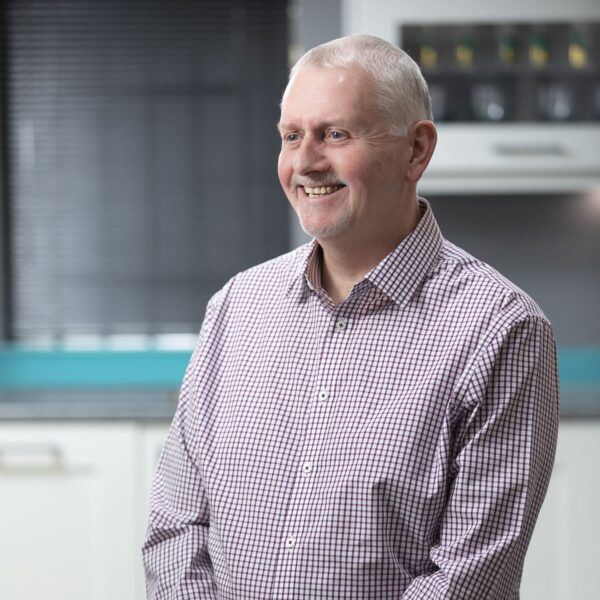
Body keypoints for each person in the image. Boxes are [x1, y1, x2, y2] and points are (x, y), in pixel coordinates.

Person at [142, 34, 559, 599]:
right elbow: (176, 526)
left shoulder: (500, 329)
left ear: (416, 151)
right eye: (292, 137)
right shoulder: (237, 308)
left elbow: (471, 577)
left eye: (336, 134)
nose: (306, 162)